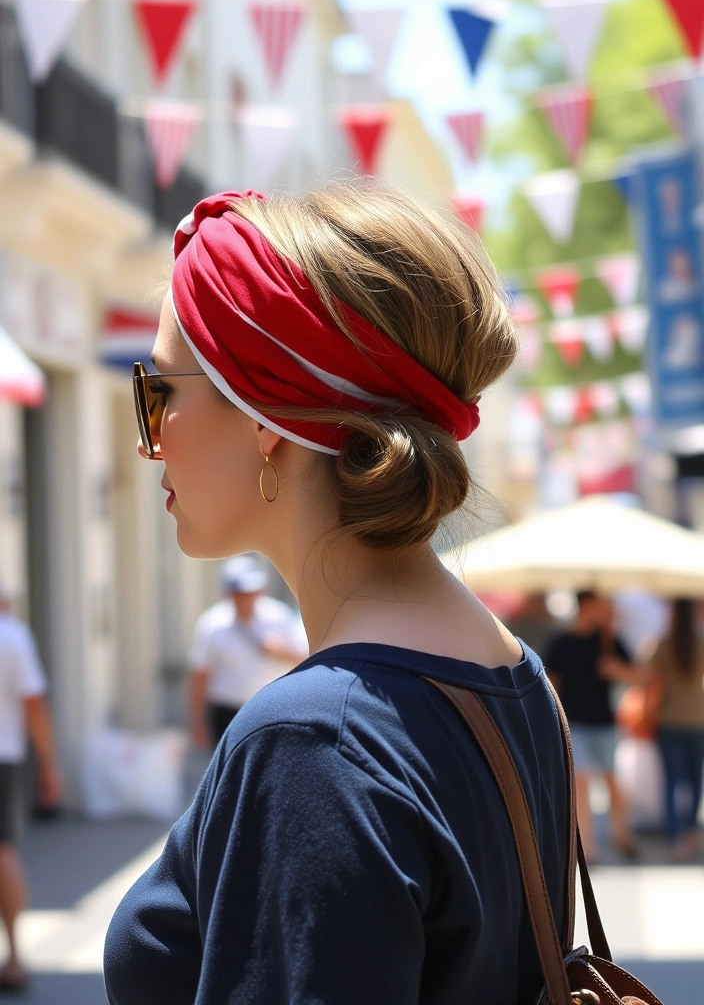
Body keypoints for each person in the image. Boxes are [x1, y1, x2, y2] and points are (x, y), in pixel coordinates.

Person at [105, 185, 572, 1004]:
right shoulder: (518, 678)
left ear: (264, 416)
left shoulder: (315, 740)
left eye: (160, 393)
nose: (148, 442)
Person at [545, 590, 638, 863]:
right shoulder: (561, 642)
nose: (605, 610)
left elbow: (639, 675)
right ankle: (588, 845)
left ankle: (622, 835)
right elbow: (551, 685)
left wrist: (616, 669)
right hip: (574, 722)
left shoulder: (609, 641)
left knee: (611, 779)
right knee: (581, 780)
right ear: (586, 606)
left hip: (605, 722)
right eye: (600, 605)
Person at [0, 586, 61, 992]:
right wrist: (49, 764)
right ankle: (16, 956)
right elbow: (34, 704)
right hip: (3, 754)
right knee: (3, 851)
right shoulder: (12, 635)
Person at [188, 555, 307, 748]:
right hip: (226, 712)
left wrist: (281, 652)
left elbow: (306, 659)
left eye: (250, 591)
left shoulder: (279, 616)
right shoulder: (212, 623)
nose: (246, 598)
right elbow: (200, 674)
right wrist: (197, 721)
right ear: (228, 594)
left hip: (270, 709)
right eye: (239, 592)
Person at [647, 599, 704, 862]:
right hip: (696, 718)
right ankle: (690, 829)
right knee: (694, 780)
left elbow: (648, 677)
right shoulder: (699, 643)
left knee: (672, 780)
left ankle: (676, 835)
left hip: (668, 719)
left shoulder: (662, 644)